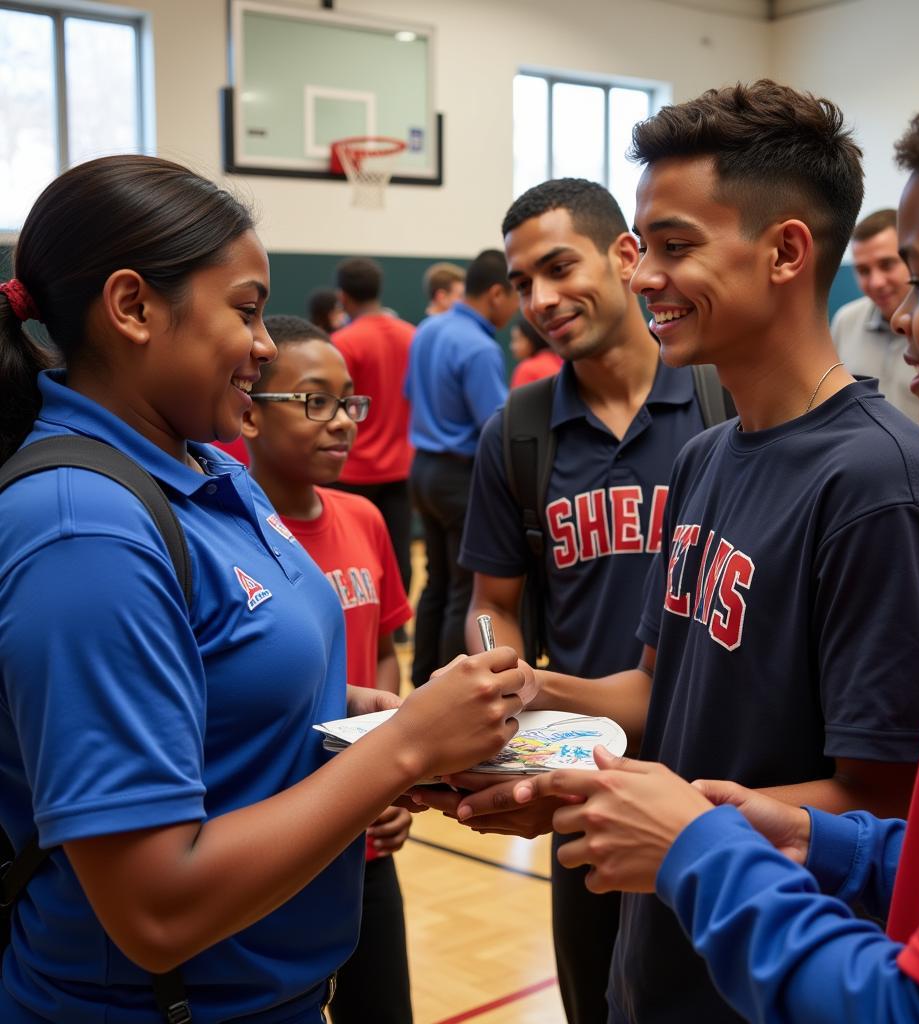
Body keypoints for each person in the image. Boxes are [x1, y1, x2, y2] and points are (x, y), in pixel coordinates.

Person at [417, 80, 919, 1023]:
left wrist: (670, 828)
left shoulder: (883, 487)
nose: (643, 278)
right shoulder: (708, 457)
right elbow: (655, 697)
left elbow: (892, 807)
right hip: (665, 949)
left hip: (783, 973)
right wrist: (535, 713)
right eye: (643, 250)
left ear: (786, 252)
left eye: (675, 248)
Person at [0, 154, 531, 1024]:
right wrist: (398, 752)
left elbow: (228, 684)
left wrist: (378, 716)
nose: (261, 342)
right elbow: (154, 908)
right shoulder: (82, 530)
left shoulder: (209, 467)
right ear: (133, 306)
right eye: (244, 310)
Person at [457, 177, 713, 1024]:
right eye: (523, 281)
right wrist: (499, 662)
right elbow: (493, 596)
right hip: (585, 780)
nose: (540, 298)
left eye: (560, 267)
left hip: (721, 774)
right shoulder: (519, 432)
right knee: (600, 1001)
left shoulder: (721, 403)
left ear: (627, 255)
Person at [243, 314, 415, 1024]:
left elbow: (381, 650)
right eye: (316, 401)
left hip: (366, 847)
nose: (344, 421)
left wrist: (392, 764)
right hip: (274, 842)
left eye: (350, 401)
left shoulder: (365, 520)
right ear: (249, 409)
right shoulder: (231, 534)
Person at [405, 249, 519, 686]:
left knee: (435, 582)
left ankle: (421, 680)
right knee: (462, 591)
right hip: (459, 477)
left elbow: (409, 392)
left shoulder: (427, 328)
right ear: (496, 294)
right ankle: (449, 691)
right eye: (516, 294)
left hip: (424, 470)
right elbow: (496, 425)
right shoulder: (480, 347)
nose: (517, 309)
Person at [831, 208, 919, 463]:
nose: (876, 282)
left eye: (887, 265)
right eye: (864, 270)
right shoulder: (845, 322)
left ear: (912, 260)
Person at [330, 258, 417, 598]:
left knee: (350, 554)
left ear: (343, 296)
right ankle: (396, 632)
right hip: (401, 465)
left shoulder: (342, 343)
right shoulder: (412, 336)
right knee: (399, 551)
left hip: (352, 468)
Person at [508, 314, 562, 388]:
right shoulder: (558, 361)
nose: (512, 347)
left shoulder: (526, 369)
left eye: (518, 340)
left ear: (531, 337)